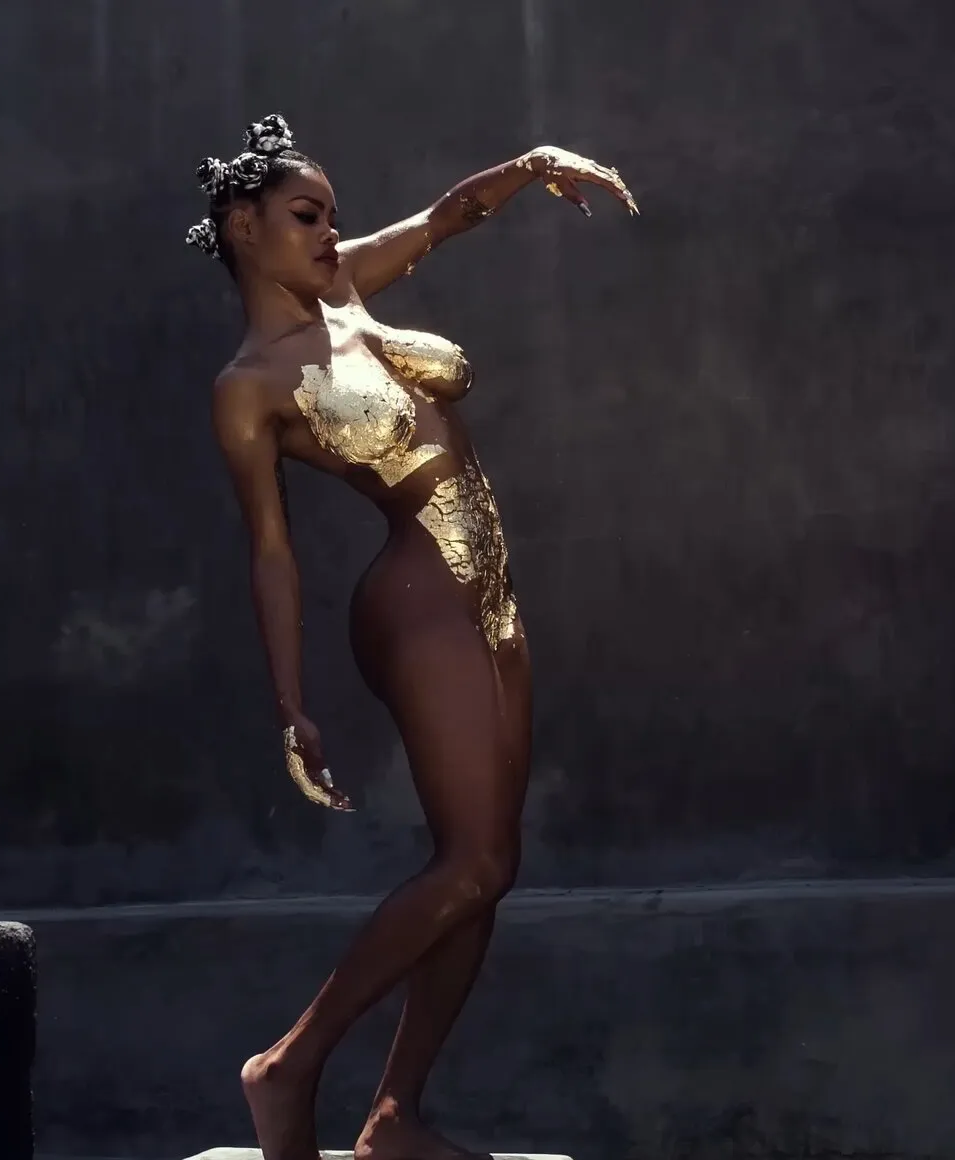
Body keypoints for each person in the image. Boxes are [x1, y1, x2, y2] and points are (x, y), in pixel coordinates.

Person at [188, 113, 636, 1160]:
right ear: (245, 226)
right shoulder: (248, 387)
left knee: (490, 863)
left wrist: (531, 166)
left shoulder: (345, 288)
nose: (329, 235)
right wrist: (291, 705)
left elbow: (445, 217)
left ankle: (395, 1115)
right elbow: (272, 552)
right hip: (416, 600)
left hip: (492, 596)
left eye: (332, 217)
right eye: (307, 216)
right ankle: (289, 1064)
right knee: (471, 862)